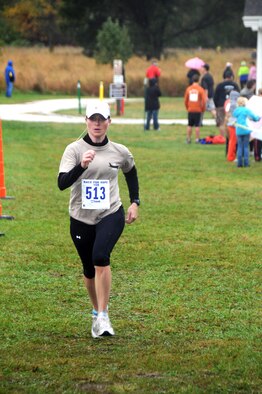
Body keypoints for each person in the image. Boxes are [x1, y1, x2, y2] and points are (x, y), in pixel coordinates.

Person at [58, 100, 140, 338]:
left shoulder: (120, 151)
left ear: (109, 122)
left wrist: (135, 202)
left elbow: (131, 171)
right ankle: (96, 312)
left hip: (111, 213)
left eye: (101, 119)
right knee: (88, 268)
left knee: (100, 256)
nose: (97, 124)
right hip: (80, 217)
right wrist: (81, 166)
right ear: (86, 121)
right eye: (92, 119)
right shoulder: (73, 149)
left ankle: (103, 316)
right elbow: (62, 184)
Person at [233, 96, 260, 167]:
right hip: (245, 129)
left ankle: (239, 163)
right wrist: (258, 118)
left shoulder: (236, 110)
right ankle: (246, 163)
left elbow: (234, 115)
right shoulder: (246, 110)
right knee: (245, 147)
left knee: (239, 146)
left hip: (238, 130)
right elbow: (254, 117)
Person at [213, 71, 240, 136]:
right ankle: (230, 136)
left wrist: (217, 106)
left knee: (221, 122)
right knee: (231, 122)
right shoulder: (235, 85)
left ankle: (222, 137)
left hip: (221, 106)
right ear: (231, 76)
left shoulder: (220, 85)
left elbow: (215, 97)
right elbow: (239, 95)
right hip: (232, 106)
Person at [184, 74, 206, 143]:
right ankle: (197, 139)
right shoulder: (201, 89)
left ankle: (188, 139)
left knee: (189, 125)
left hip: (190, 109)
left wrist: (188, 107)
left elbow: (185, 100)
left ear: (192, 80)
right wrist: (203, 108)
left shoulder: (188, 89)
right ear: (198, 80)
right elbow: (204, 100)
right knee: (197, 125)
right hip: (198, 110)